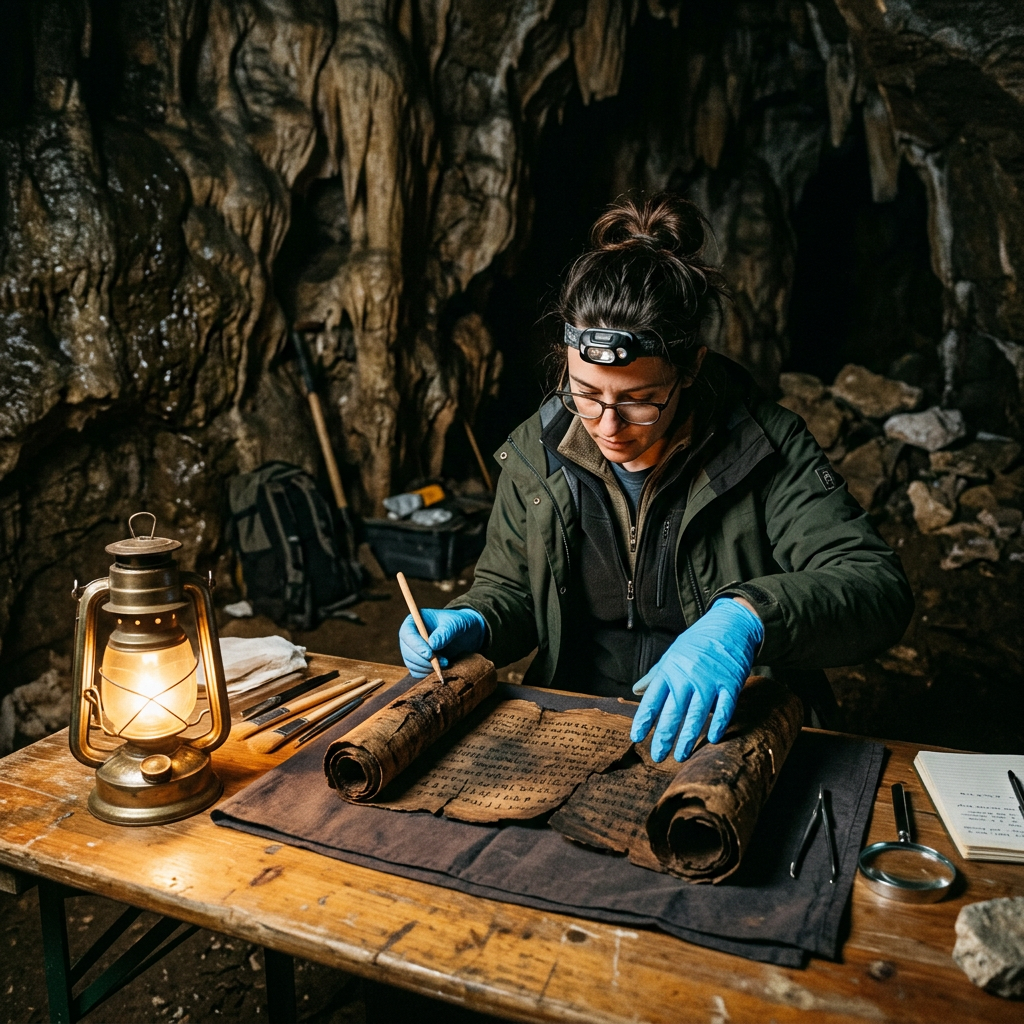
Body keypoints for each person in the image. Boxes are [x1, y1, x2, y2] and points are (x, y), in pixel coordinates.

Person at [399, 192, 913, 763]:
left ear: (691, 366)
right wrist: (474, 620)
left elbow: (876, 587)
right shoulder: (536, 453)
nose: (607, 425)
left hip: (730, 727)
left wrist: (746, 618)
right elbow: (514, 590)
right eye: (586, 395)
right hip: (577, 722)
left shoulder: (765, 447)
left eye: (640, 401)